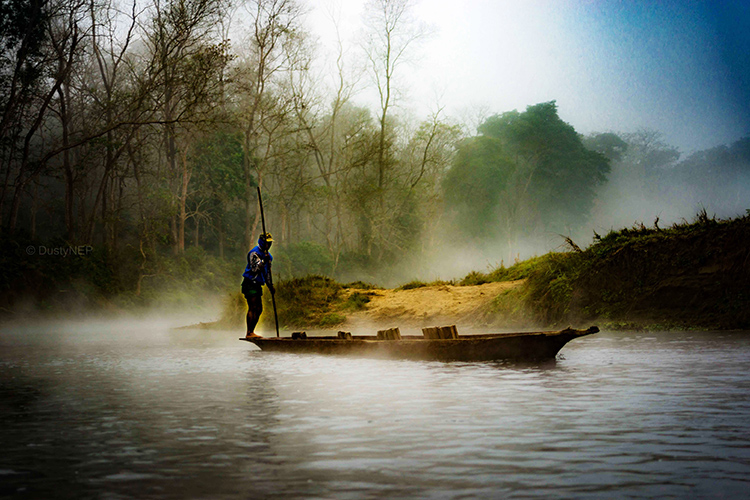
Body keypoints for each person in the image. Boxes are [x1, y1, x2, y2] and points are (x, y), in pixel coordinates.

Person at [242, 233, 275, 338]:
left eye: (269, 243)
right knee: (253, 307)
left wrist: (270, 286)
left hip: (258, 284)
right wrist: (263, 261)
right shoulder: (254, 253)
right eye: (266, 243)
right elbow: (254, 269)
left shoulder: (268, 256)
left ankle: (252, 331)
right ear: (262, 242)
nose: (268, 245)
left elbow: (267, 272)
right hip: (250, 282)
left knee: (259, 309)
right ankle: (249, 332)